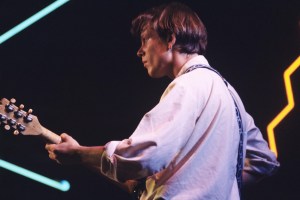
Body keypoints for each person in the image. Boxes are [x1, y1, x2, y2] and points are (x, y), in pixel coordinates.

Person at [45, 2, 279, 199]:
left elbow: (143, 157)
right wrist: (215, 185)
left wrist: (79, 153)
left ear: (170, 39)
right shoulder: (229, 94)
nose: (139, 51)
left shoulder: (188, 85)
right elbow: (265, 160)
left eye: (145, 39)